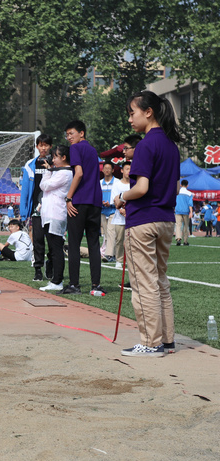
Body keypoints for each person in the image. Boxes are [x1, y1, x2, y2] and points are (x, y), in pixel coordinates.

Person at [114, 90, 181, 357]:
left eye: (133, 113)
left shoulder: (145, 145)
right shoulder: (171, 145)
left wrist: (122, 197)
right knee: (160, 281)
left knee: (144, 284)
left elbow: (141, 188)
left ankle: (151, 342)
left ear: (148, 112)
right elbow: (175, 188)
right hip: (165, 220)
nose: (130, 119)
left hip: (143, 221)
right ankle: (167, 340)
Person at [61, 120, 104, 296]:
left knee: (74, 244)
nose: (68, 137)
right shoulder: (93, 150)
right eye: (67, 135)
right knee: (93, 244)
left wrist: (68, 197)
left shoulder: (75, 148)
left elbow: (78, 173)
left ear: (81, 133)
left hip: (79, 201)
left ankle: (74, 285)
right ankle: (96, 285)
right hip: (95, 201)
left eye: (71, 133)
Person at [38, 145, 73, 291]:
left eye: (55, 157)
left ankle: (57, 281)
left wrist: (48, 171)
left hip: (56, 214)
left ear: (63, 157)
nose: (53, 160)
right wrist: (50, 170)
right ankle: (55, 279)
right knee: (53, 248)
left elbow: (44, 186)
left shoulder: (65, 173)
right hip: (50, 214)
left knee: (56, 249)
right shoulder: (58, 172)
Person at [20, 134, 54, 281]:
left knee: (53, 240)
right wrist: (24, 212)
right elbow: (25, 190)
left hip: (53, 208)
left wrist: (52, 168)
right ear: (37, 147)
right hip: (36, 210)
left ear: (50, 146)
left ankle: (51, 264)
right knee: (38, 239)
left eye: (46, 145)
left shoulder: (56, 163)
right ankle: (38, 269)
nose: (43, 148)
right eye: (41, 145)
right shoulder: (30, 165)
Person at [109, 161, 131, 269]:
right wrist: (122, 209)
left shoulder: (134, 184)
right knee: (119, 240)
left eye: (131, 169)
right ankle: (119, 260)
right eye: (127, 169)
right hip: (119, 217)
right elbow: (114, 200)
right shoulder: (117, 184)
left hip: (132, 216)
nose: (129, 171)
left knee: (131, 240)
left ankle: (131, 260)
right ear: (122, 170)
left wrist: (128, 211)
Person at [99, 161, 117, 261]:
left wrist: (111, 203)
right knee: (106, 234)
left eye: (109, 168)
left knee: (111, 232)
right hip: (102, 211)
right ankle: (110, 253)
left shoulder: (117, 182)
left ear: (113, 170)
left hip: (113, 210)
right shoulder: (99, 183)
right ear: (102, 170)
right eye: (105, 168)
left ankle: (109, 255)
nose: (107, 170)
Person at [174, 179, 193, 246]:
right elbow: (190, 204)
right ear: (187, 185)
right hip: (186, 211)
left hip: (178, 210)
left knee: (178, 225)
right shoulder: (189, 193)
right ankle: (185, 241)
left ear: (180, 185)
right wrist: (191, 212)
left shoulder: (177, 192)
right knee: (186, 226)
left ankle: (178, 238)